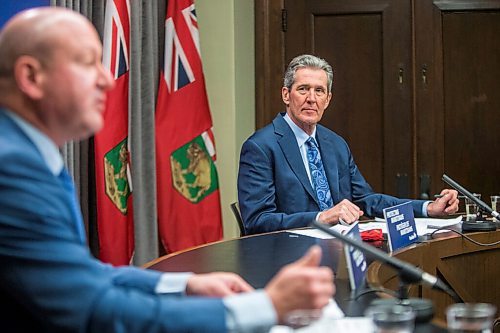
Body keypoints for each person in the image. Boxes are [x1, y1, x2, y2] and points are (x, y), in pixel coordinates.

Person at [0, 9, 335, 333]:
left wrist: (185, 283)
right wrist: (266, 306)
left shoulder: (30, 153)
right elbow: (89, 306)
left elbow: (82, 274)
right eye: (88, 64)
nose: (106, 79)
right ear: (31, 76)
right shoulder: (11, 167)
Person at [238, 54, 459, 235]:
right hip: (288, 259)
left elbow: (366, 200)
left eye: (319, 91)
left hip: (340, 251)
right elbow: (257, 220)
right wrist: (321, 217)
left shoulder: (335, 144)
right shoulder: (261, 147)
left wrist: (427, 208)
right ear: (286, 95)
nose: (311, 98)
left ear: (328, 99)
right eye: (303, 89)